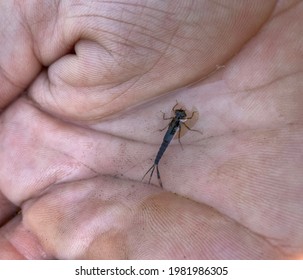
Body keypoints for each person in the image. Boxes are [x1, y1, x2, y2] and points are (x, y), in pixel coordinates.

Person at [0, 0, 302, 259]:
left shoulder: (178, 122)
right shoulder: (179, 121)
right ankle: (155, 166)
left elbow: (179, 125)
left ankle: (155, 166)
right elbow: (180, 125)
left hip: (169, 138)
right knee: (163, 148)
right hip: (167, 139)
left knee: (164, 148)